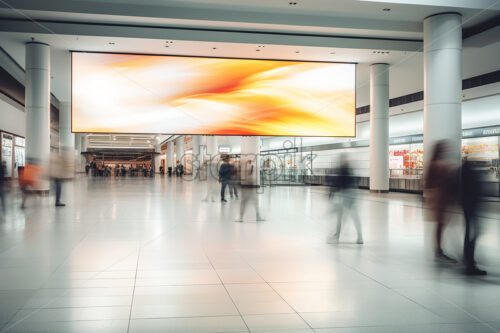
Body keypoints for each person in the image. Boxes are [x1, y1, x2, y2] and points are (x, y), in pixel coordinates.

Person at [425, 141, 456, 263]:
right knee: (440, 224)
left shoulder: (436, 164)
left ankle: (439, 249)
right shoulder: (436, 165)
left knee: (441, 224)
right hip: (439, 198)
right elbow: (430, 182)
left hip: (440, 198)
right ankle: (438, 250)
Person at [326, 156, 363, 244]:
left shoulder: (341, 170)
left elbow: (336, 183)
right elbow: (358, 178)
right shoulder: (350, 170)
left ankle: (336, 236)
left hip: (345, 195)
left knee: (340, 217)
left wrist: (331, 193)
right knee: (355, 216)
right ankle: (360, 237)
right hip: (353, 194)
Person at [461, 158, 487, 275]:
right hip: (471, 205)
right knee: (473, 232)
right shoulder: (469, 171)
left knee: (470, 232)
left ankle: (468, 260)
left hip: (467, 205)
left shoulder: (463, 171)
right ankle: (470, 263)